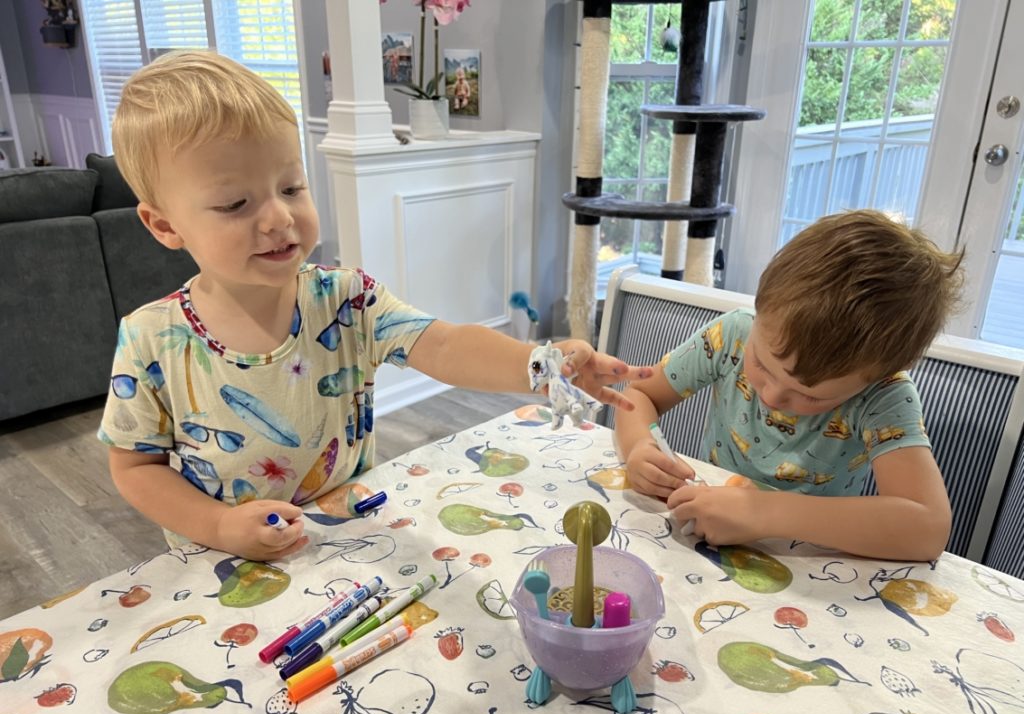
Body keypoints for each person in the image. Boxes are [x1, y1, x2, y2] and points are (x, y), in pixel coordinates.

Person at [99, 50, 651, 562]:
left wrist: (538, 364)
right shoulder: (151, 338)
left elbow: (444, 344)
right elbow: (133, 467)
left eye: (291, 187)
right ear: (165, 225)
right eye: (235, 204)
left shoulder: (346, 299)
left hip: (345, 537)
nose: (277, 218)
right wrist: (218, 526)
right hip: (221, 558)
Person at [615, 209, 963, 562]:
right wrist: (639, 447)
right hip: (701, 538)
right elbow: (641, 394)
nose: (771, 395)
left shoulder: (884, 396)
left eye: (809, 394)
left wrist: (764, 512)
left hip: (810, 563)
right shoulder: (733, 335)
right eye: (763, 365)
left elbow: (927, 529)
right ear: (759, 303)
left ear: (881, 373)